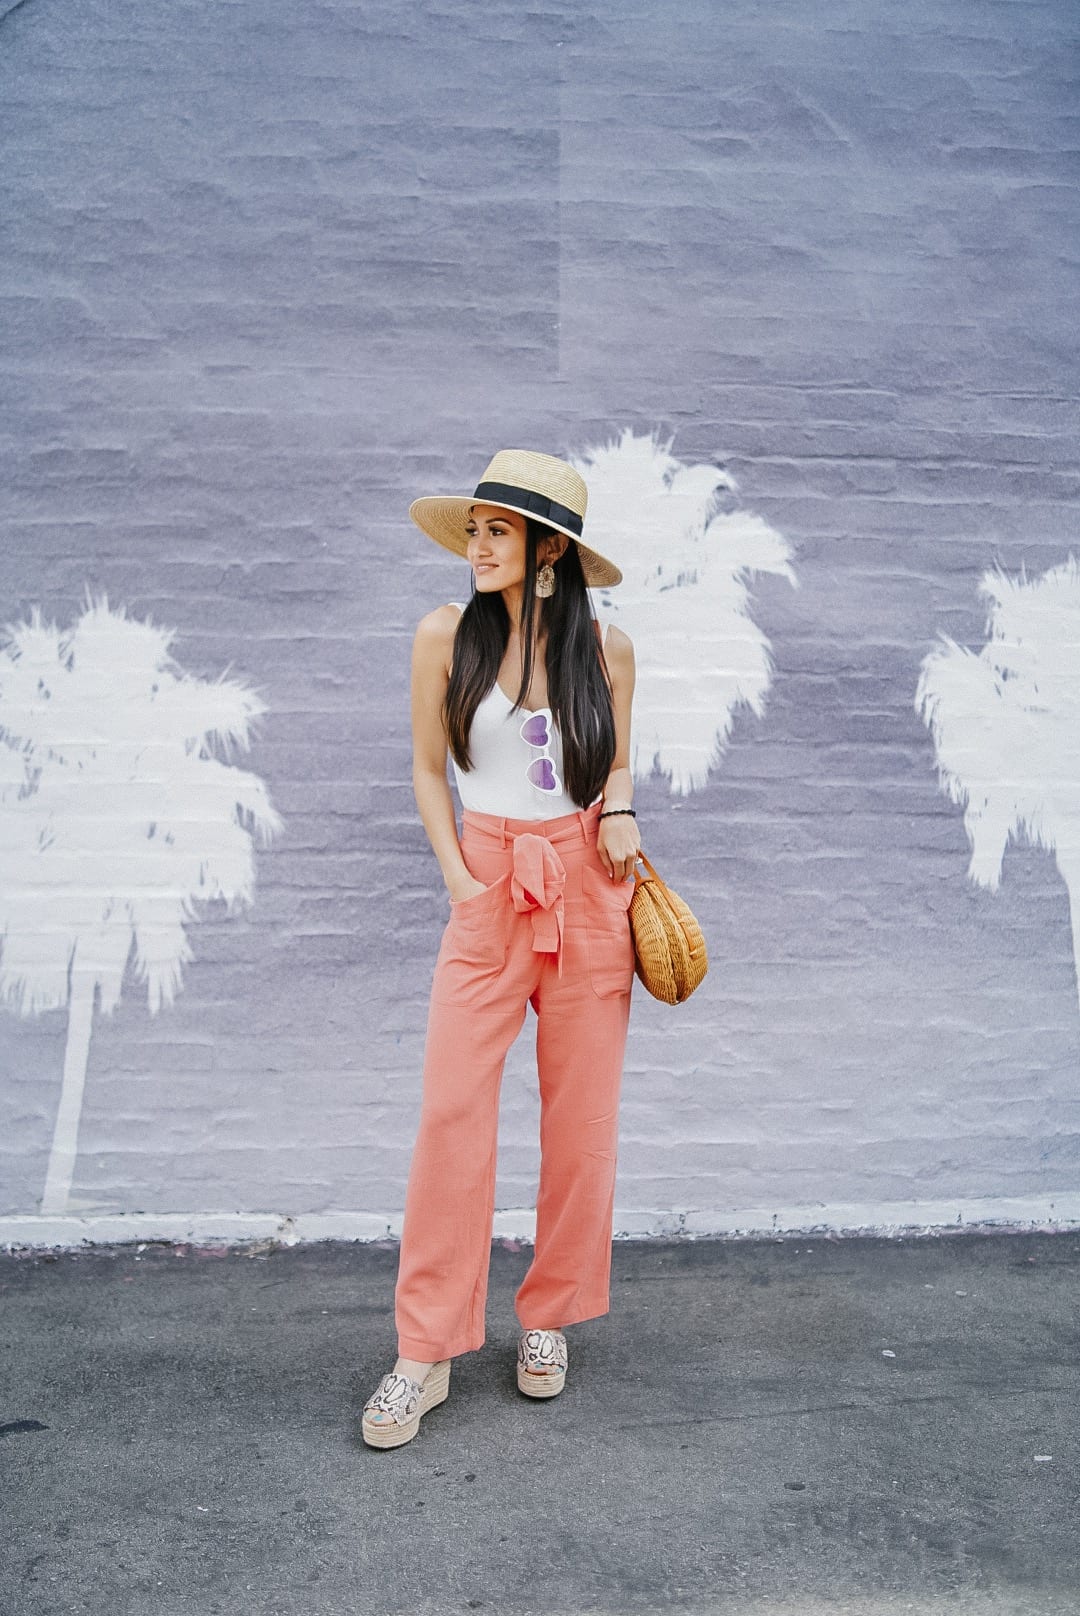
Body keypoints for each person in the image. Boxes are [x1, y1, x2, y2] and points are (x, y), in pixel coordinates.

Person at [362, 449, 641, 1449]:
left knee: (581, 1121)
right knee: (451, 1112)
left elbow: (615, 759)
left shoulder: (608, 650)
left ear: (550, 548)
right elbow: (427, 768)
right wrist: (460, 879)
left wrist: (621, 809)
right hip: (486, 882)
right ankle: (424, 1349)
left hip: (588, 889)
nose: (476, 547)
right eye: (473, 528)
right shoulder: (444, 633)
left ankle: (549, 1315)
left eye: (498, 531)